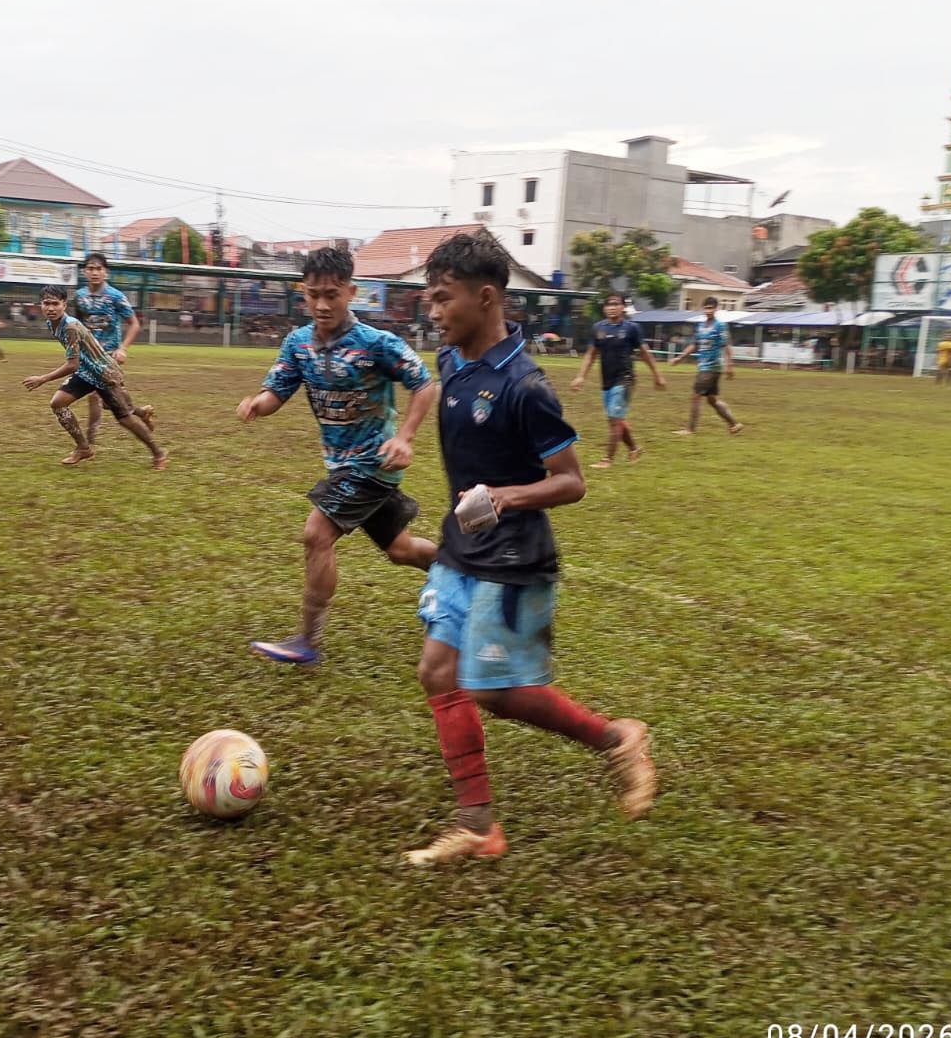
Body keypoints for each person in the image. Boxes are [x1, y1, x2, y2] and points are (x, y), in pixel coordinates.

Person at [405, 231, 655, 865]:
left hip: (515, 557)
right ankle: (479, 825)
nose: (432, 312)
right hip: (464, 547)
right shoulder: (453, 363)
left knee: (492, 691)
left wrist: (505, 498)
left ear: (486, 297)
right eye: (428, 299)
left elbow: (571, 481)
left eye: (442, 299)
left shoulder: (525, 385)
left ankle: (617, 738)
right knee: (437, 671)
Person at [237, 246, 439, 666]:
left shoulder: (376, 343)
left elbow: (424, 384)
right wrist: (258, 403)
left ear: (351, 291)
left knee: (317, 533)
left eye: (332, 294)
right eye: (313, 295)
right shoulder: (298, 344)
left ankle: (308, 641)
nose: (322, 304)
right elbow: (278, 392)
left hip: (373, 465)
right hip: (342, 465)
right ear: (303, 293)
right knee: (399, 550)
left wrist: (405, 437)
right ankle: (461, 573)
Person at [22, 287, 165, 470]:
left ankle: (159, 453)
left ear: (64, 305)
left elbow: (71, 364)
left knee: (124, 418)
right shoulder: (52, 323)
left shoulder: (70, 327)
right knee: (58, 403)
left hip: (104, 375)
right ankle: (83, 448)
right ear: (40, 305)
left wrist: (43, 378)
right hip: (86, 372)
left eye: (55, 304)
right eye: (46, 303)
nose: (50, 308)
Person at [569, 292, 667, 468]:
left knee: (615, 418)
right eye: (608, 305)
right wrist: (580, 376)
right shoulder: (598, 328)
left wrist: (657, 375)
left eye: (616, 304)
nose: (612, 307)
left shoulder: (632, 328)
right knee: (616, 419)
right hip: (606, 380)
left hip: (625, 379)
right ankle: (634, 448)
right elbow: (591, 355)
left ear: (623, 307)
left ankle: (607, 460)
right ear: (604, 308)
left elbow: (645, 353)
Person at [71, 253, 141, 446]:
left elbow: (134, 324)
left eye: (98, 269)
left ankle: (89, 444)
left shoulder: (115, 296)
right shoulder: (80, 296)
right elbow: (78, 325)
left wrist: (123, 349)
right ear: (85, 272)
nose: (94, 272)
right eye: (91, 269)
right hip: (88, 355)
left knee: (95, 395)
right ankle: (141, 412)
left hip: (109, 356)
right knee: (112, 400)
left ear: (105, 272)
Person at [670, 296, 743, 436]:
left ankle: (690, 429)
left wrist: (730, 365)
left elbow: (726, 345)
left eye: (711, 308)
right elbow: (695, 345)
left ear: (716, 309)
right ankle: (734, 424)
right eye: (706, 308)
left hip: (711, 367)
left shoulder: (720, 326)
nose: (708, 311)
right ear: (703, 309)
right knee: (712, 400)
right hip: (705, 367)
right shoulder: (701, 326)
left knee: (695, 396)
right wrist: (680, 358)